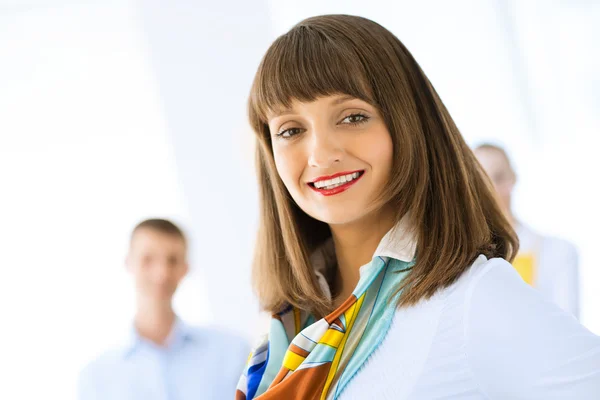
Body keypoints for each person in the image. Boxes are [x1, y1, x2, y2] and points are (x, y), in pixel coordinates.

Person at [235, 15, 600, 400]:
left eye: (353, 117)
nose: (321, 155)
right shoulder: (288, 325)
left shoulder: (473, 299)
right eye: (291, 130)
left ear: (408, 123)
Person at [78, 218, 249, 400]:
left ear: (185, 268)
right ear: (129, 263)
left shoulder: (233, 353)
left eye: (172, 260)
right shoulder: (95, 377)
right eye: (148, 260)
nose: (161, 274)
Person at [474, 143, 580, 317]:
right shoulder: (464, 257)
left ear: (513, 179)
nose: (489, 190)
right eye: (480, 181)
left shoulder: (558, 252)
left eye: (498, 178)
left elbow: (569, 325)